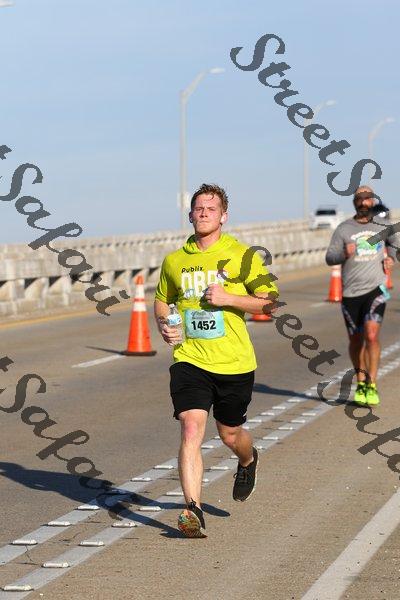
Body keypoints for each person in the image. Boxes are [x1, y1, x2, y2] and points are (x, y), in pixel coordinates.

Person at [154, 183, 278, 538]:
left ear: (224, 216)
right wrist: (164, 324)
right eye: (199, 208)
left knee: (230, 434)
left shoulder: (242, 256)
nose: (204, 213)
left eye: (211, 209)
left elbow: (269, 302)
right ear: (190, 215)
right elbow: (162, 299)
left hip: (233, 362)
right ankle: (192, 510)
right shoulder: (174, 261)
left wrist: (230, 298)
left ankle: (248, 459)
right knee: (191, 427)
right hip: (190, 359)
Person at [326, 185, 397, 406]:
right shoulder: (344, 229)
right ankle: (361, 382)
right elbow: (330, 257)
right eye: (360, 198)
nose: (364, 202)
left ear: (373, 201)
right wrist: (343, 253)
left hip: (375, 289)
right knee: (356, 341)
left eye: (367, 198)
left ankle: (372, 384)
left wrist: (391, 257)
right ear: (355, 202)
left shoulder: (382, 226)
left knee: (372, 335)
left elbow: (395, 244)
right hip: (350, 293)